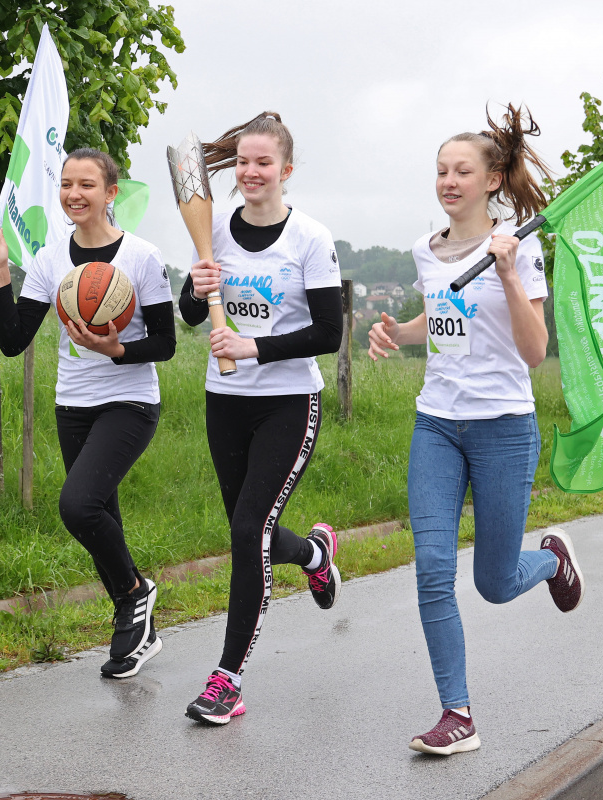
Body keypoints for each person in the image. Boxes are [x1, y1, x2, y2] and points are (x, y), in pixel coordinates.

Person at [367, 105, 585, 755]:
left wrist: (509, 272)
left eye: (462, 171)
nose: (448, 181)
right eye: (441, 170)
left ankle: (550, 561)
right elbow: (443, 321)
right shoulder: (425, 250)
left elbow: (534, 350)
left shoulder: (520, 246)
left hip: (504, 427)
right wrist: (397, 332)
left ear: (492, 180)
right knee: (433, 568)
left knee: (494, 583)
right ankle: (456, 713)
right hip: (437, 424)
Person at [0, 148, 175, 679]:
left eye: (86, 185)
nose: (74, 194)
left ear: (111, 193)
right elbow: (14, 341)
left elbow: (165, 343)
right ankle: (138, 633)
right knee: (102, 518)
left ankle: (135, 593)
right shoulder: (49, 260)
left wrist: (118, 350)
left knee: (78, 506)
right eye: (66, 184)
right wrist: (1, 275)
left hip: (130, 401)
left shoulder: (141, 256)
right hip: (73, 404)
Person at [178, 111, 344, 725]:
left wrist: (254, 347)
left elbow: (328, 333)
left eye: (263, 162)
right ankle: (316, 556)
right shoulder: (214, 228)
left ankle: (228, 680)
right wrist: (195, 286)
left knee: (249, 530)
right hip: (224, 401)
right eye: (243, 162)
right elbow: (190, 315)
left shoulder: (310, 239)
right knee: (254, 532)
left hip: (288, 403)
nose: (251, 171)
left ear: (286, 170)